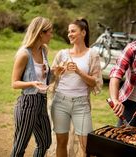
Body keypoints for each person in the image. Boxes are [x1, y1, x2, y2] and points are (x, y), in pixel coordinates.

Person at [50, 18, 103, 157]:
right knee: (61, 142)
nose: (69, 34)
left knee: (86, 146)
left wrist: (79, 71)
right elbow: (49, 78)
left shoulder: (92, 54)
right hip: (60, 101)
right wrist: (56, 72)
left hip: (81, 104)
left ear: (83, 32)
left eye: (73, 31)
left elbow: (95, 82)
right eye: (69, 31)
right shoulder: (62, 54)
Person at [11, 16, 53, 157]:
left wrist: (56, 73)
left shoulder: (44, 51)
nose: (51, 35)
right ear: (41, 33)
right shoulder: (24, 54)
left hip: (42, 102)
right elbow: (14, 83)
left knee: (45, 142)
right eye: (50, 32)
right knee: (19, 148)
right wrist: (31, 83)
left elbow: (45, 80)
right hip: (27, 104)